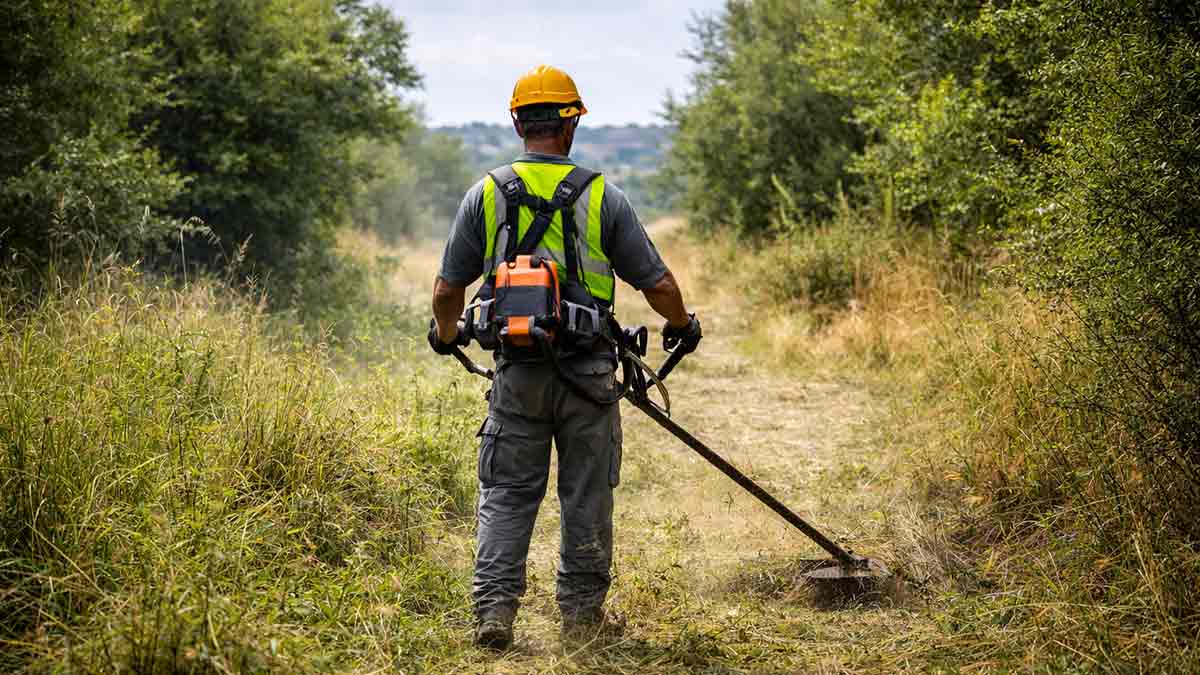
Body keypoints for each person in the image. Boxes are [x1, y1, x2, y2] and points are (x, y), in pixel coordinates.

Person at [427, 64, 702, 650]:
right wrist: (681, 326)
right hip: (590, 378)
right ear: (571, 125)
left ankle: (495, 613)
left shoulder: (485, 193)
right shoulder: (604, 195)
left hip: (516, 375)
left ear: (517, 122)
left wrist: (446, 334)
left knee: (506, 493)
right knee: (587, 493)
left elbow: (447, 290)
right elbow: (658, 284)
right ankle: (580, 619)